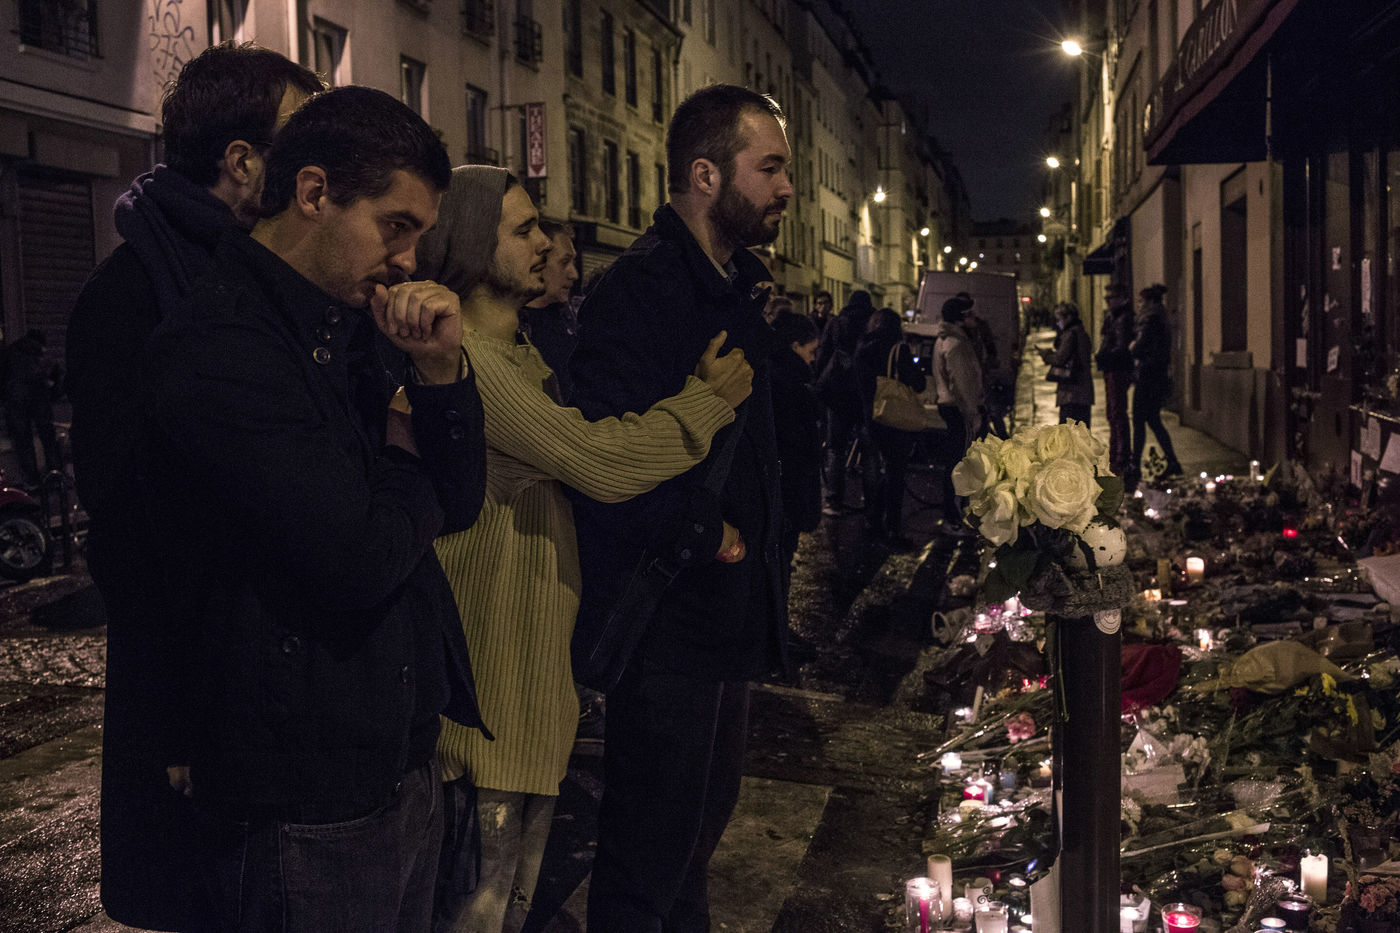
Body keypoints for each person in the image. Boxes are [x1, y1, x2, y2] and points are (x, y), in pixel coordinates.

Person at [141, 85, 491, 931]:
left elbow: (460, 501)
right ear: (313, 191)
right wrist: (405, 454)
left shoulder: (356, 328)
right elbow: (356, 557)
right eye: (394, 225)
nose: (408, 260)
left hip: (396, 760)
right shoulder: (223, 344)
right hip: (303, 793)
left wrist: (439, 374)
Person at [414, 165, 752, 933]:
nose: (545, 243)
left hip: (526, 705)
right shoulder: (473, 363)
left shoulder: (524, 358)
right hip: (486, 713)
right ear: (470, 242)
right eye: (523, 228)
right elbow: (597, 460)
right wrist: (704, 402)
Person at [63, 42, 322, 931]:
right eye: (301, 141)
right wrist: (174, 714)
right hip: (192, 679)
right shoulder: (132, 294)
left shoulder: (261, 274)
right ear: (242, 161)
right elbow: (127, 526)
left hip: (263, 661)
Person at [567, 83, 793, 931]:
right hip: (669, 617)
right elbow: (604, 453)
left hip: (723, 615)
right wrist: (709, 533)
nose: (786, 188)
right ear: (705, 174)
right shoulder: (641, 290)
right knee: (648, 847)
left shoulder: (735, 285)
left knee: (695, 836)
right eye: (769, 168)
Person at [855, 307, 926, 549]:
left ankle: (873, 520)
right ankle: (892, 529)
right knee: (895, 474)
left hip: (871, 417)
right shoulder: (898, 349)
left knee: (880, 472)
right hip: (893, 419)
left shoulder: (863, 347)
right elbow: (917, 382)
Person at [769, 308, 823, 571]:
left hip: (782, 481)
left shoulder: (774, 374)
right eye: (810, 351)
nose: (812, 359)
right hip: (788, 481)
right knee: (783, 546)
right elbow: (795, 439)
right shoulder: (789, 382)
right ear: (795, 346)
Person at [814, 289, 876, 515]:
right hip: (866, 395)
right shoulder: (873, 324)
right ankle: (872, 504)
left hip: (839, 395)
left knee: (836, 448)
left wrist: (819, 382)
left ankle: (834, 500)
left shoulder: (838, 323)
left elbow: (823, 355)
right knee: (869, 450)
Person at [931, 294, 983, 528]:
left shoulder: (943, 340)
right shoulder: (956, 344)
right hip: (958, 408)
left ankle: (953, 512)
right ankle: (953, 516)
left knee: (954, 459)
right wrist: (973, 413)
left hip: (949, 405)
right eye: (970, 314)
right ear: (960, 318)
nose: (974, 318)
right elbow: (962, 383)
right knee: (959, 463)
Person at [519, 219, 580, 401]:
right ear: (538, 260)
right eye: (564, 262)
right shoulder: (516, 331)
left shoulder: (569, 320)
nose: (574, 274)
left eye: (573, 262)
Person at [1130, 283, 1183, 483]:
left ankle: (1135, 465)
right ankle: (1172, 461)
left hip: (1148, 375)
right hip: (1156, 375)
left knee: (1139, 420)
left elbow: (1138, 348)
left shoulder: (1151, 320)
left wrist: (1133, 346)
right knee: (1152, 420)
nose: (1139, 305)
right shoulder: (1161, 318)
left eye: (1141, 301)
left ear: (1150, 301)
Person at [1, 329, 62, 486]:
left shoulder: (11, 352)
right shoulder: (43, 354)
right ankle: (55, 475)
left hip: (15, 399)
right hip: (39, 397)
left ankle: (32, 481)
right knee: (48, 438)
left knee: (23, 441)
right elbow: (56, 378)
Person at [1097, 282, 1135, 476]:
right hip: (1111, 368)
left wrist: (1105, 356)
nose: (1108, 301)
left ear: (1121, 298)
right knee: (1112, 413)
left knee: (1118, 412)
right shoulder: (1113, 317)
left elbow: (1121, 347)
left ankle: (1121, 455)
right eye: (1107, 298)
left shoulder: (1123, 318)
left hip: (1118, 369)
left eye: (1111, 298)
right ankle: (1115, 453)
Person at [1041, 302, 1093, 425]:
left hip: (1071, 392)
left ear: (1068, 317)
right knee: (1081, 428)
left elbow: (1060, 358)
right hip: (1083, 391)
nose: (1058, 323)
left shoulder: (1070, 334)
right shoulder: (1082, 332)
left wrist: (1046, 356)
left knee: (1068, 429)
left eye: (1059, 319)